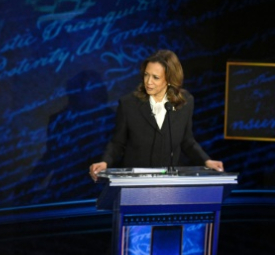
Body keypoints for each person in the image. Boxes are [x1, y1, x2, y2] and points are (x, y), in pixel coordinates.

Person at [89, 50, 224, 181]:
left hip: (168, 183)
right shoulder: (128, 104)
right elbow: (117, 142)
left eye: (155, 77)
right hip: (135, 183)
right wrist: (105, 162)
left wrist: (206, 160)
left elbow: (187, 140)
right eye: (146, 75)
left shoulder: (185, 102)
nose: (148, 82)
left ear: (170, 79)